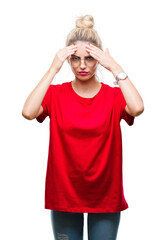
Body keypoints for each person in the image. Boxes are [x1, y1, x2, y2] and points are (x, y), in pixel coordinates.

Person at [22, 14, 144, 240]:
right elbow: (28, 112)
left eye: (89, 58)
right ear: (68, 60)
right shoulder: (55, 94)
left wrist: (114, 66)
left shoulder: (114, 96)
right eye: (75, 59)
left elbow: (137, 108)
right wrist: (52, 69)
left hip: (105, 194)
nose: (82, 65)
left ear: (98, 60)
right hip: (64, 194)